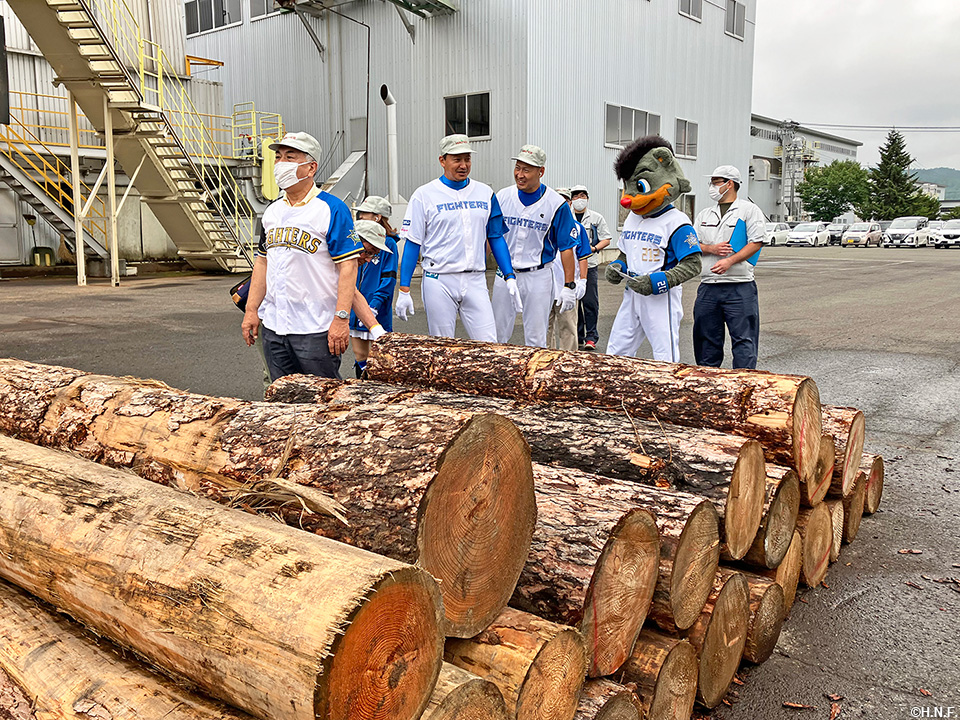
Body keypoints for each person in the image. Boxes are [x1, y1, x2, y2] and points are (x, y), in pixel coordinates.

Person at [241, 131, 386, 381]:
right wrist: (251, 310)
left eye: (290, 157)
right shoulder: (272, 212)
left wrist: (341, 319)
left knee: (323, 401)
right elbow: (263, 262)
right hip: (274, 326)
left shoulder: (331, 209)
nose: (280, 164)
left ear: (310, 167)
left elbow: (348, 268)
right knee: (281, 398)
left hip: (315, 329)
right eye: (278, 157)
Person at [396, 134, 519, 342]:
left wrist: (509, 275)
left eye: (467, 159)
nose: (463, 165)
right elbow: (413, 243)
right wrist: (404, 289)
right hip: (439, 279)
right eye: (457, 159)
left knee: (489, 345)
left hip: (475, 279)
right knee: (444, 348)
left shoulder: (484, 193)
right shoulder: (424, 195)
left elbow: (496, 236)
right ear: (442, 161)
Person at [605, 135, 701, 362]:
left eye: (638, 186)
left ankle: (667, 396)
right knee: (617, 351)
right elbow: (626, 253)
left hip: (660, 297)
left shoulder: (676, 222)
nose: (629, 198)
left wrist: (657, 282)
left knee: (664, 355)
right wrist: (618, 265)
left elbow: (693, 264)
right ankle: (615, 393)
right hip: (632, 293)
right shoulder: (632, 219)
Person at [492, 145, 578, 347]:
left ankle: (534, 377)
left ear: (541, 172)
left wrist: (569, 285)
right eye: (518, 168)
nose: (520, 175)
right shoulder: (503, 197)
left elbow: (566, 247)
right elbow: (492, 236)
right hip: (505, 273)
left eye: (526, 170)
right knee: (496, 333)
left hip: (538, 274)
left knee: (536, 337)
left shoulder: (556, 204)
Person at [692, 165, 768, 369]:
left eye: (716, 182)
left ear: (729, 184)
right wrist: (711, 248)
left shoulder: (749, 210)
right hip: (709, 285)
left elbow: (756, 242)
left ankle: (743, 385)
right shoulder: (704, 214)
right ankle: (708, 384)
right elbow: (692, 244)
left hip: (739, 286)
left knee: (744, 340)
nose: (712, 187)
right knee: (706, 340)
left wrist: (730, 261)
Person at [350, 196, 399, 377]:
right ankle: (362, 385)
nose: (360, 216)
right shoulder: (353, 244)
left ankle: (378, 388)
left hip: (375, 306)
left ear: (378, 217)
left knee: (379, 354)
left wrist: (375, 305)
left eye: (364, 213)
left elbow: (389, 278)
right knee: (359, 354)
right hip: (355, 305)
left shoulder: (388, 244)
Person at [547, 187, 590, 351]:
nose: (562, 203)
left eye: (565, 200)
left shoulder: (577, 228)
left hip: (567, 285)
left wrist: (583, 281)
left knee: (569, 328)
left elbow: (583, 256)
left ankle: (569, 363)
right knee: (544, 327)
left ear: (569, 203)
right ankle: (545, 361)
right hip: (545, 285)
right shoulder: (546, 225)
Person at [571, 185, 612, 351]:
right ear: (571, 199)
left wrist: (594, 249)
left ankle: (591, 337)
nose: (579, 199)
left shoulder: (596, 218)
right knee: (574, 302)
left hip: (590, 265)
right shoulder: (567, 216)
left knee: (589, 302)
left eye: (582, 196)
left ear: (587, 198)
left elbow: (606, 238)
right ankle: (578, 335)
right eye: (576, 196)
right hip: (571, 267)